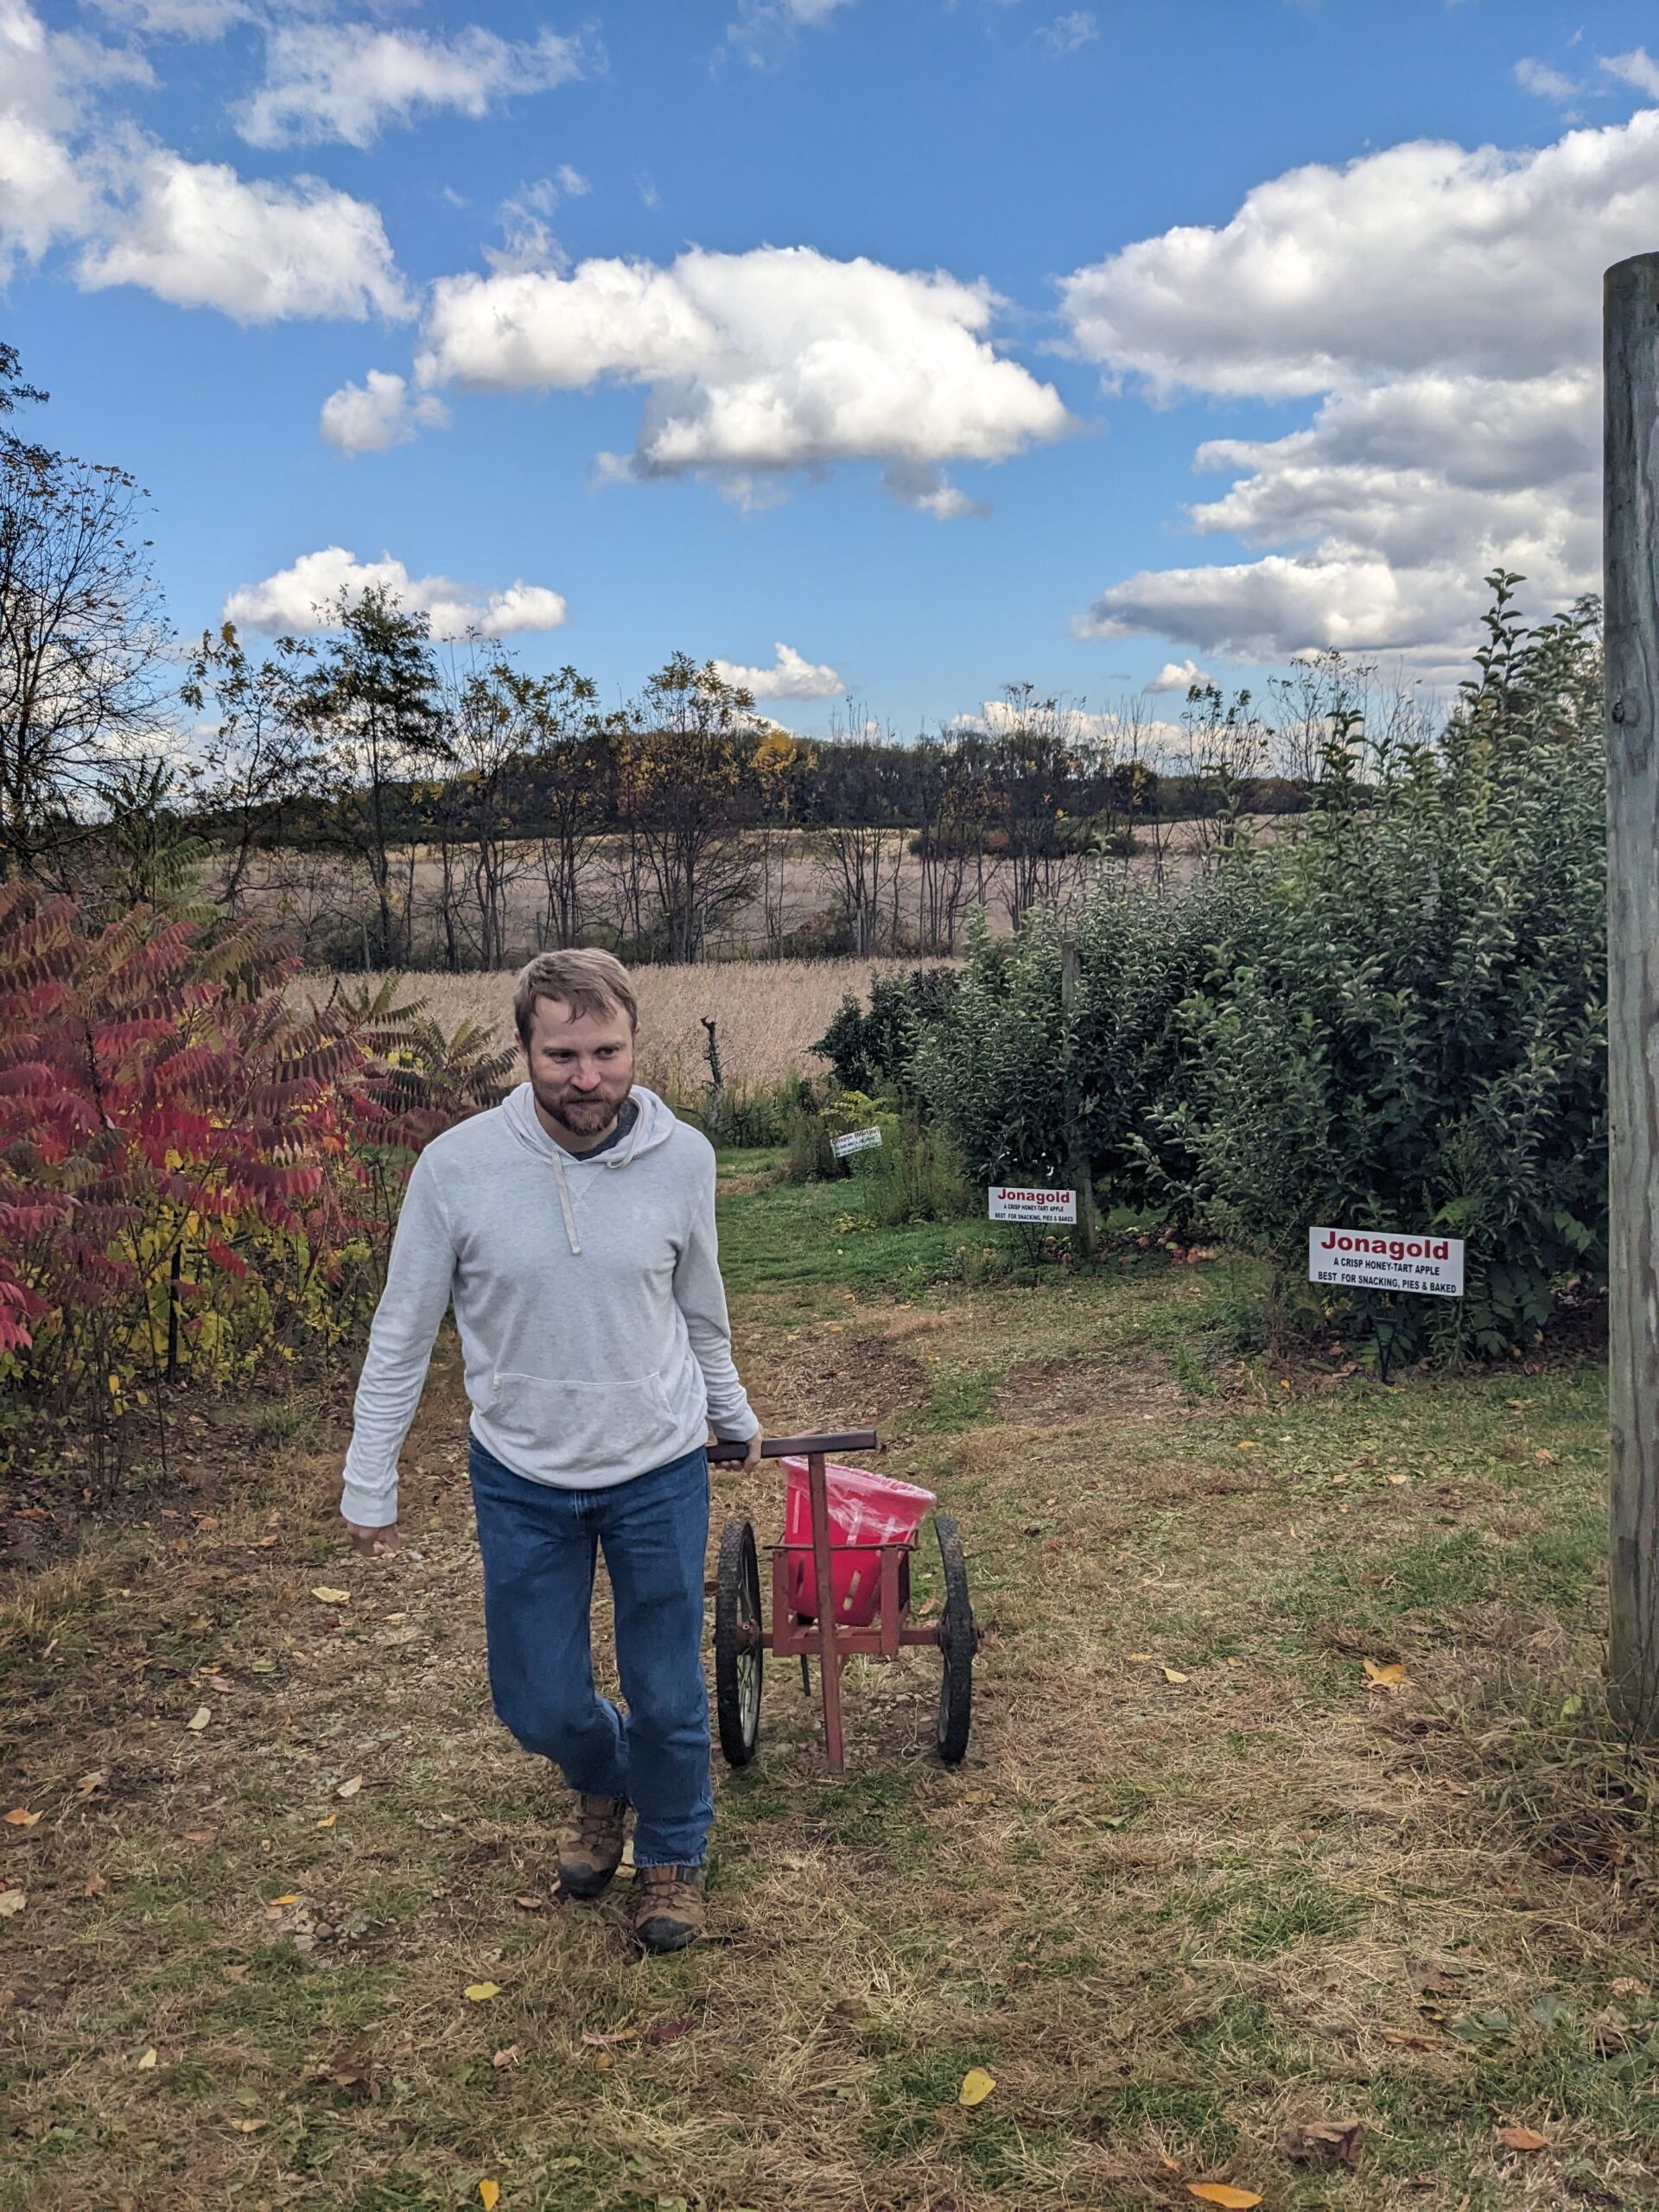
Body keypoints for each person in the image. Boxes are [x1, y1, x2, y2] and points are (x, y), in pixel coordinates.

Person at [336, 948, 763, 1954]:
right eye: (562, 1054)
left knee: (668, 1691)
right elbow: (402, 1332)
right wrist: (369, 1477)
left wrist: (731, 1412)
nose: (586, 1077)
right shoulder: (456, 1169)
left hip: (657, 1467)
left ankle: (673, 1852)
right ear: (524, 1049)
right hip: (523, 1476)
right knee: (538, 1701)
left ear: (633, 1044)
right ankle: (604, 1776)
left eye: (606, 1052)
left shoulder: (684, 1158)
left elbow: (701, 1306)